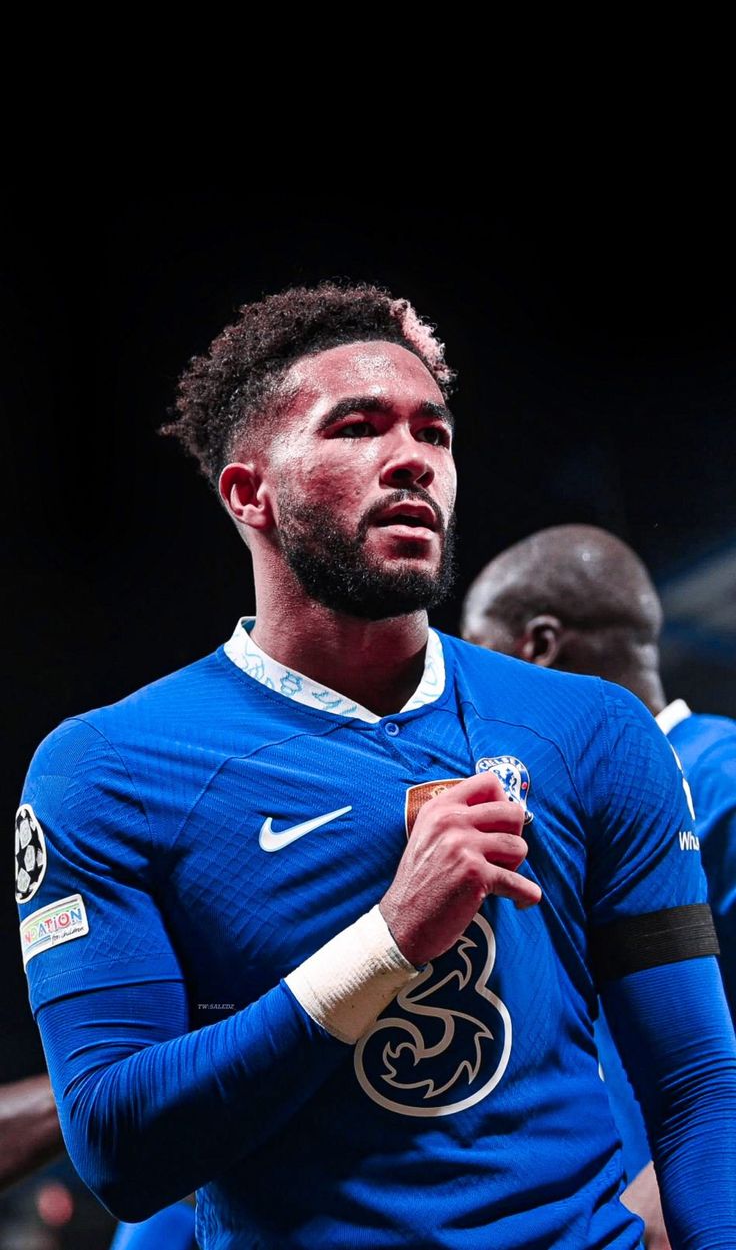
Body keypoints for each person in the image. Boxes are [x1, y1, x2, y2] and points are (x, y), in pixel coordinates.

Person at [13, 284, 736, 1250]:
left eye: (433, 432)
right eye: (357, 426)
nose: (413, 459)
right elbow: (118, 1150)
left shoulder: (593, 729)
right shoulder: (107, 767)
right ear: (249, 493)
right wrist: (388, 942)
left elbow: (696, 1083)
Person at [460, 522, 736, 1248]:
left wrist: (662, 1192)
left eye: (476, 648)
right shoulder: (550, 823)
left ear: (539, 647)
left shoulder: (722, 776)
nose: (465, 693)